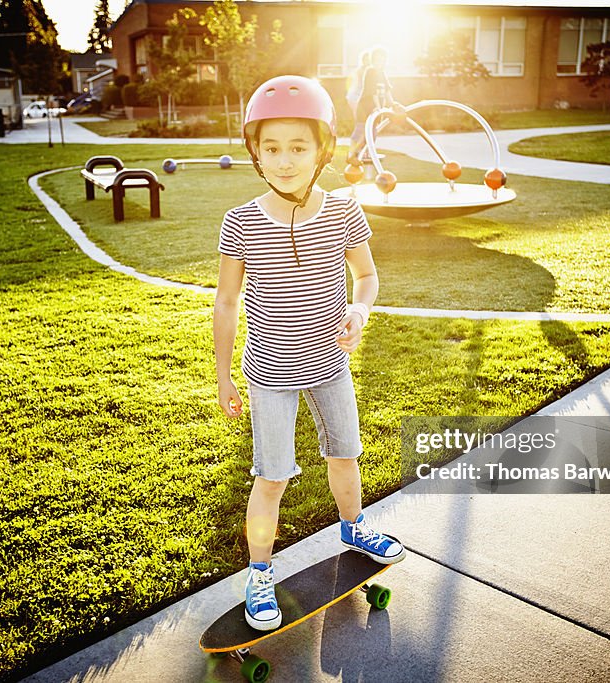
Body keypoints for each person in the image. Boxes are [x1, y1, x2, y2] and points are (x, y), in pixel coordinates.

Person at [213, 75, 406, 632]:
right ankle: (259, 574)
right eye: (271, 148)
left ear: (322, 150)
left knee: (345, 454)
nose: (284, 160)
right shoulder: (242, 220)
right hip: (269, 373)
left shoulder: (344, 211)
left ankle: (353, 526)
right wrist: (224, 378)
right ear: (255, 151)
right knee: (272, 476)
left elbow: (366, 276)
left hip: (331, 366)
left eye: (298, 147)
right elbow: (227, 304)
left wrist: (361, 311)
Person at [349, 46, 394, 166]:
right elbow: (372, 91)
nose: (381, 63)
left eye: (383, 60)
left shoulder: (382, 73)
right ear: (373, 60)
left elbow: (388, 90)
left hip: (375, 110)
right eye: (378, 60)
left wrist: (393, 104)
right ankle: (350, 155)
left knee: (372, 135)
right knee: (360, 132)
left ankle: (365, 153)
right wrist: (378, 107)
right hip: (365, 108)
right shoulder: (370, 71)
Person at [345, 50, 371, 118]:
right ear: (363, 60)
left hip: (360, 95)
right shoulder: (360, 71)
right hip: (355, 96)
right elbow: (362, 84)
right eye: (366, 59)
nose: (368, 61)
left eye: (369, 59)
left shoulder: (369, 70)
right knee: (357, 115)